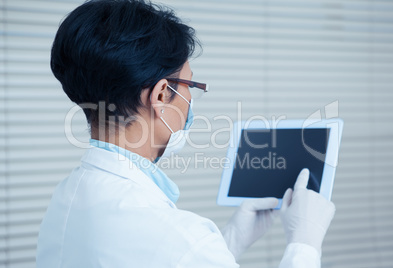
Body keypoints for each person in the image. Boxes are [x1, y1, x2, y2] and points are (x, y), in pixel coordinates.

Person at [36, 0, 336, 267]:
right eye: (191, 87)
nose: (191, 101)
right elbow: (172, 251)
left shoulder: (66, 196)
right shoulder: (179, 238)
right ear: (162, 95)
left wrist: (230, 241)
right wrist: (304, 245)